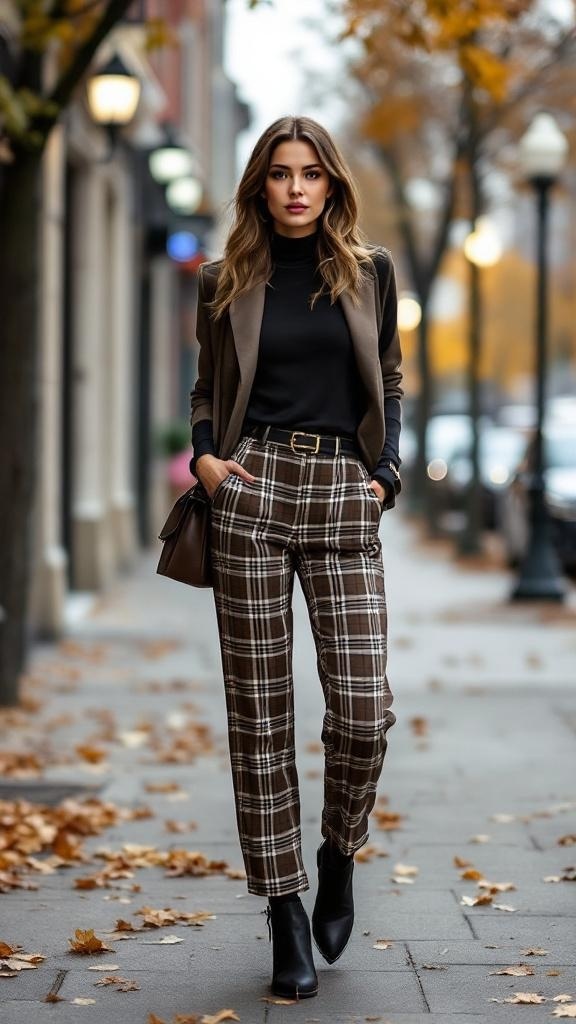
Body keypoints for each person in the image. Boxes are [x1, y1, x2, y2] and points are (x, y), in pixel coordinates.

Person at [189, 115, 403, 1001]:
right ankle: (284, 909)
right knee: (261, 712)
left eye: (311, 173)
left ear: (332, 183)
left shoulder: (369, 273)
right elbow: (207, 387)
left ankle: (337, 849)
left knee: (362, 706)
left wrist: (385, 477)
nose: (296, 188)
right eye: (280, 174)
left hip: (343, 489)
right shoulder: (221, 280)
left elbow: (387, 377)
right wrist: (206, 459)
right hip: (250, 485)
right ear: (259, 186)